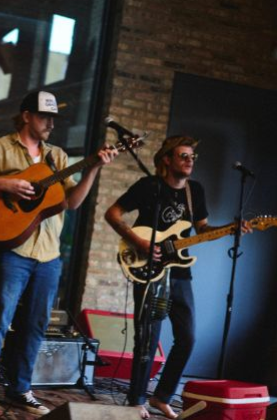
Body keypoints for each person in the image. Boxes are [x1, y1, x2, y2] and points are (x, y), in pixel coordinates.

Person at [0, 91, 117, 417]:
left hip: (48, 255)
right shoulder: (0, 148)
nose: (50, 123)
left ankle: (20, 389)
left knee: (35, 326)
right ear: (27, 116)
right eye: (44, 116)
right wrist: (6, 185)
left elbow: (72, 202)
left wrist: (94, 169)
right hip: (12, 251)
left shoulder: (57, 156)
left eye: (53, 118)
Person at [104, 135, 249, 419]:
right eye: (183, 156)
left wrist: (230, 228)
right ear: (167, 159)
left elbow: (202, 229)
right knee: (147, 338)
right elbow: (113, 214)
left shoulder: (195, 191)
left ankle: (161, 397)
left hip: (180, 272)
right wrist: (138, 242)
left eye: (192, 157)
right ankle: (136, 400)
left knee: (187, 337)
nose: (189, 161)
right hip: (150, 270)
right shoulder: (149, 186)